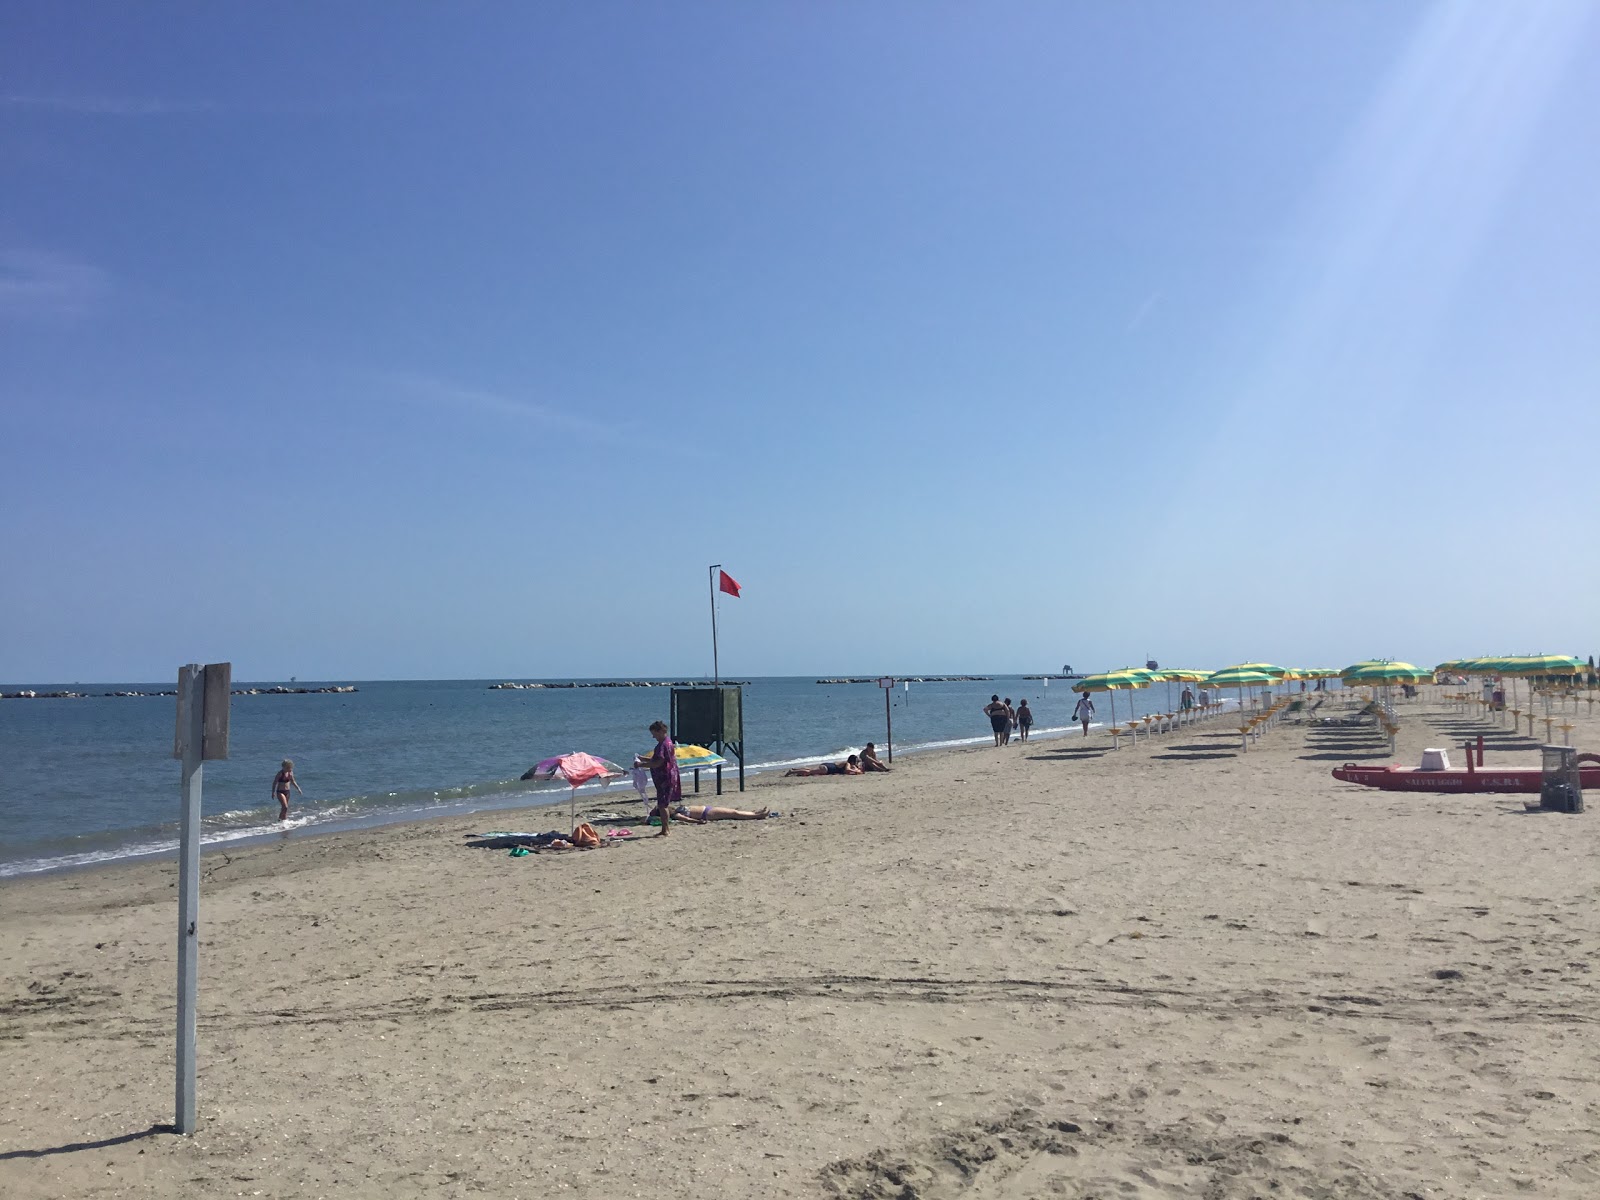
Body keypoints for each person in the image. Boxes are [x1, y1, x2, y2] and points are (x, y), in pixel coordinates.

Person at [634, 720, 681, 837]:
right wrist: (642, 759)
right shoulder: (668, 743)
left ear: (660, 731)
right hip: (668, 776)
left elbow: (658, 763)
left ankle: (666, 830)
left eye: (654, 733)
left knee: (662, 805)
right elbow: (657, 760)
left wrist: (641, 765)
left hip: (665, 778)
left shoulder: (663, 745)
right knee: (663, 804)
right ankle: (665, 829)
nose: (653, 736)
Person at [665, 803, 773, 823]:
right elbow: (687, 819)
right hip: (707, 814)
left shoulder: (677, 811)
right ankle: (758, 815)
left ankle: (755, 813)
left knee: (733, 812)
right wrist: (698, 822)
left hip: (708, 810)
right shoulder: (676, 815)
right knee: (734, 813)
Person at [785, 755, 864, 777]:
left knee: (811, 770)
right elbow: (847, 770)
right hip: (827, 769)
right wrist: (856, 772)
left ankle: (795, 769)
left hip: (827, 766)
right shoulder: (848, 764)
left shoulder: (846, 763)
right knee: (809, 772)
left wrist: (857, 770)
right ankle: (792, 771)